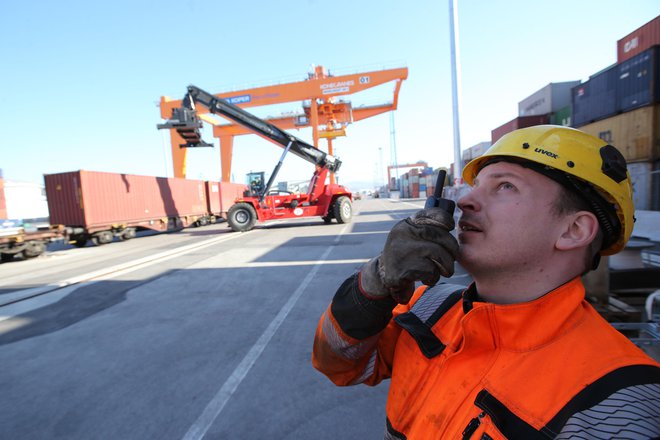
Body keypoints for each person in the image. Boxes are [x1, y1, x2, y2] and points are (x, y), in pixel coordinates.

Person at [312, 125, 660, 439]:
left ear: (574, 230)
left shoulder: (620, 402)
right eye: (477, 185)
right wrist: (376, 281)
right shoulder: (429, 306)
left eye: (505, 186)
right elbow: (339, 365)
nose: (464, 200)